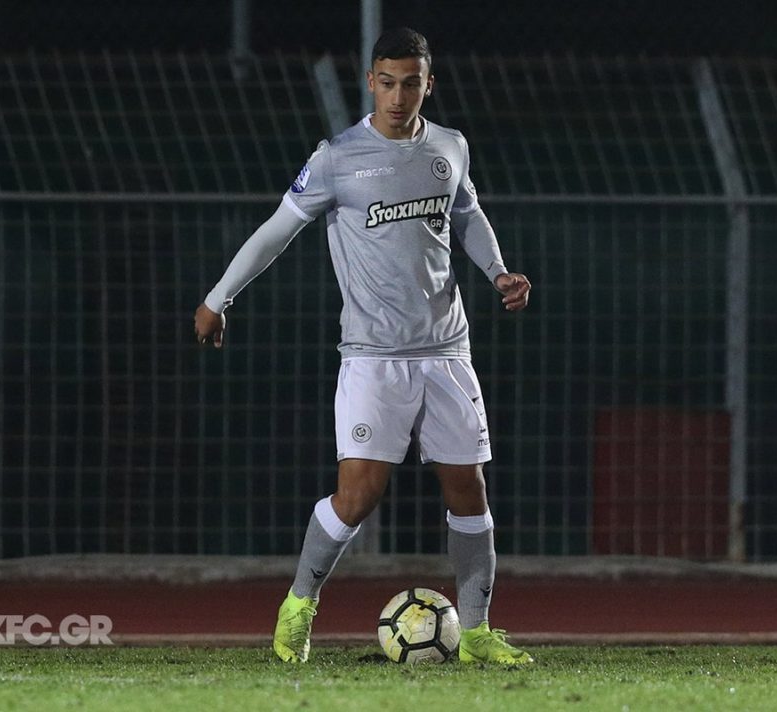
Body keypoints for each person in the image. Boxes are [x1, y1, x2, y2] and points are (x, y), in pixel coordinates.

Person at [194, 27, 532, 665]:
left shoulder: (451, 147)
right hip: (373, 357)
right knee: (357, 495)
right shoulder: (338, 158)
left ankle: (477, 632)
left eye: (411, 83)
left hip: (447, 352)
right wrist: (219, 297)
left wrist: (498, 272)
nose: (398, 96)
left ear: (429, 84)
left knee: (469, 489)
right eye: (387, 83)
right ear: (371, 82)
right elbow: (276, 231)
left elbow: (466, 215)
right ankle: (299, 605)